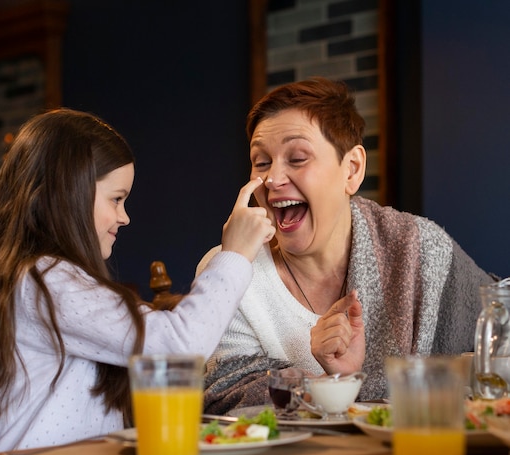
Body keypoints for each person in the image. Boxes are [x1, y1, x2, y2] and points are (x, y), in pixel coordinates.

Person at [0, 108, 275, 454]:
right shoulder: (46, 282)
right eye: (116, 199)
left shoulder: (49, 278)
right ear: (69, 193)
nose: (124, 217)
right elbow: (179, 347)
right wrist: (236, 254)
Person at [198, 77, 497, 414]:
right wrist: (329, 386)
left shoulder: (419, 249)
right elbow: (227, 398)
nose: (273, 179)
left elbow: (500, 327)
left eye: (296, 158)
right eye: (262, 162)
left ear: (352, 170)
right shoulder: (232, 271)